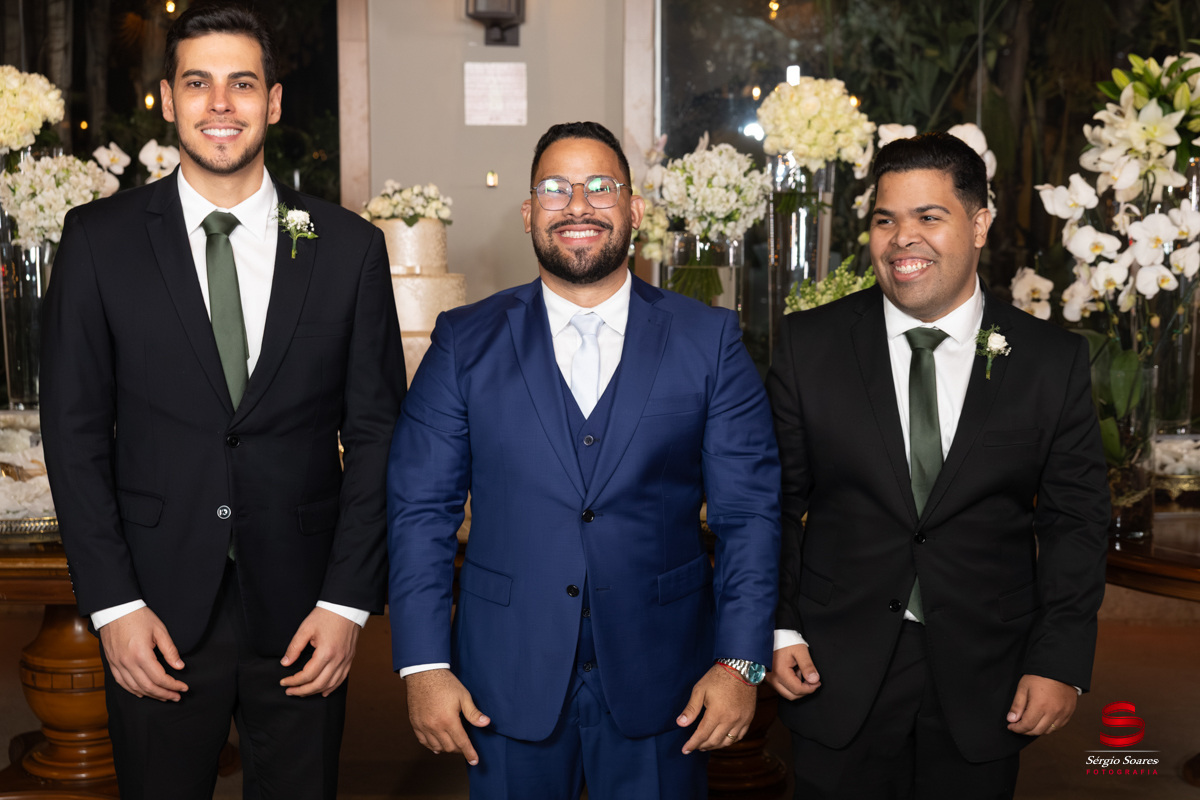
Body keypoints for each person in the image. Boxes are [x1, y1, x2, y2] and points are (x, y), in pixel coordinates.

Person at [40, 4, 406, 798]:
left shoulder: (347, 247)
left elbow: (379, 435)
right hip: (153, 606)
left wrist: (347, 601)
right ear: (168, 100)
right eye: (197, 83)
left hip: (306, 611)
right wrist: (113, 606)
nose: (219, 104)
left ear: (272, 102)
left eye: (241, 84)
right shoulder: (97, 240)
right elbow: (73, 436)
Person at [386, 121, 780, 798]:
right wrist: (423, 665)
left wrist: (740, 662)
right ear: (528, 212)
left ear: (635, 210)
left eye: (601, 187)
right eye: (555, 188)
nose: (577, 205)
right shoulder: (463, 341)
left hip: (668, 679)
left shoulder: (708, 339)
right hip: (504, 677)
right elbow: (420, 511)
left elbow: (750, 515)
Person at [766, 132, 1109, 799]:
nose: (903, 239)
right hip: (833, 665)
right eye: (885, 220)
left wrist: (1060, 660)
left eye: (929, 216)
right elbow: (772, 505)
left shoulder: (1049, 361)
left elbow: (1077, 521)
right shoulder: (811, 346)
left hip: (988, 671)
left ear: (979, 225)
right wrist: (778, 627)